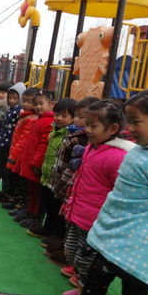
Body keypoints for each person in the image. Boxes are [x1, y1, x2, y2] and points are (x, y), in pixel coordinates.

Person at [41, 89, 148, 295]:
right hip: (114, 238)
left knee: (133, 294)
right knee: (96, 280)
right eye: (129, 121)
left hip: (139, 246)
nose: (129, 128)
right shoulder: (139, 151)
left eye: (136, 122)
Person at [56, 99, 134, 295]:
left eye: (93, 126)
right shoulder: (93, 147)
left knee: (88, 261)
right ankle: (81, 287)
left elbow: (119, 192)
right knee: (72, 254)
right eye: (87, 124)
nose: (87, 129)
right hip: (77, 214)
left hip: (94, 222)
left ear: (113, 129)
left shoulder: (118, 156)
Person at [41, 96, 99, 258]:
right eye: (78, 116)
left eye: (82, 117)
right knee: (52, 206)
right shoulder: (73, 133)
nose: (78, 120)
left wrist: (62, 185)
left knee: (64, 214)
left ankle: (62, 242)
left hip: (67, 184)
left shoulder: (83, 140)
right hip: (55, 177)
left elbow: (72, 167)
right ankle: (53, 233)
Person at [27, 97, 76, 239]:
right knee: (48, 202)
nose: (59, 118)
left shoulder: (70, 135)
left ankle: (56, 234)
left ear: (73, 118)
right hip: (48, 174)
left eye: (64, 116)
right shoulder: (54, 130)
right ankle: (47, 227)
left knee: (57, 207)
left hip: (60, 179)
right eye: (57, 114)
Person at [15, 90, 55, 228]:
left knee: (38, 194)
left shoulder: (49, 122)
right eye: (35, 104)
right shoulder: (40, 119)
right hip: (31, 163)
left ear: (51, 104)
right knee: (31, 191)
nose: (38, 107)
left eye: (41, 104)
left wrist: (37, 163)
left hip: (36, 165)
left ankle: (36, 217)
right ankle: (29, 213)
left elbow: (44, 145)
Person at [4, 87, 40, 211]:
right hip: (16, 152)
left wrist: (14, 156)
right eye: (24, 101)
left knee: (21, 181)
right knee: (16, 179)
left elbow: (23, 140)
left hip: (21, 155)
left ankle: (20, 203)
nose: (25, 104)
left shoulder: (31, 119)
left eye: (29, 102)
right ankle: (15, 199)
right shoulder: (24, 116)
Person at [0, 82, 26, 201]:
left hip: (11, 145)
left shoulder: (20, 112)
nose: (11, 100)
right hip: (3, 142)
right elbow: (6, 123)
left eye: (15, 98)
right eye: (10, 98)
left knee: (8, 171)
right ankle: (4, 190)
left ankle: (8, 194)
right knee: (3, 168)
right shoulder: (10, 109)